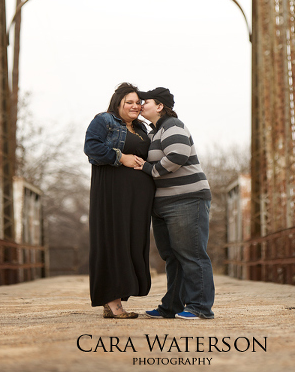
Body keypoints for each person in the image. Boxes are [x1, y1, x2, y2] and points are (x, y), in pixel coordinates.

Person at [134, 87, 215, 320]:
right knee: (173, 256)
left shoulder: (173, 126)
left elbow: (177, 156)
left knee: (191, 255)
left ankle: (200, 307)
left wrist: (149, 169)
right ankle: (171, 306)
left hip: (186, 199)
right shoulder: (155, 131)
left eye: (144, 101)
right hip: (164, 204)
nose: (140, 104)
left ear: (159, 106)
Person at [84, 82, 155, 318]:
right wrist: (120, 157)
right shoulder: (104, 121)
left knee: (130, 243)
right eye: (129, 102)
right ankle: (113, 303)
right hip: (113, 193)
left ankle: (115, 299)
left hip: (138, 198)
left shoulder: (141, 128)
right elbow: (92, 147)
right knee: (113, 240)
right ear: (118, 103)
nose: (135, 106)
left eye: (138, 103)